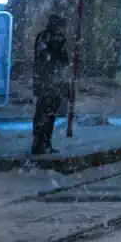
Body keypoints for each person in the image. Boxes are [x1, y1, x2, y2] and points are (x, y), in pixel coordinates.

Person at [32, 13, 71, 155]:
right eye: (58, 26)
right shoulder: (44, 37)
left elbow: (64, 61)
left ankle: (46, 142)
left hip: (55, 82)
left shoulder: (59, 39)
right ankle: (39, 143)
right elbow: (44, 58)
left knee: (51, 115)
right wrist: (56, 55)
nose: (60, 29)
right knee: (43, 114)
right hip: (45, 82)